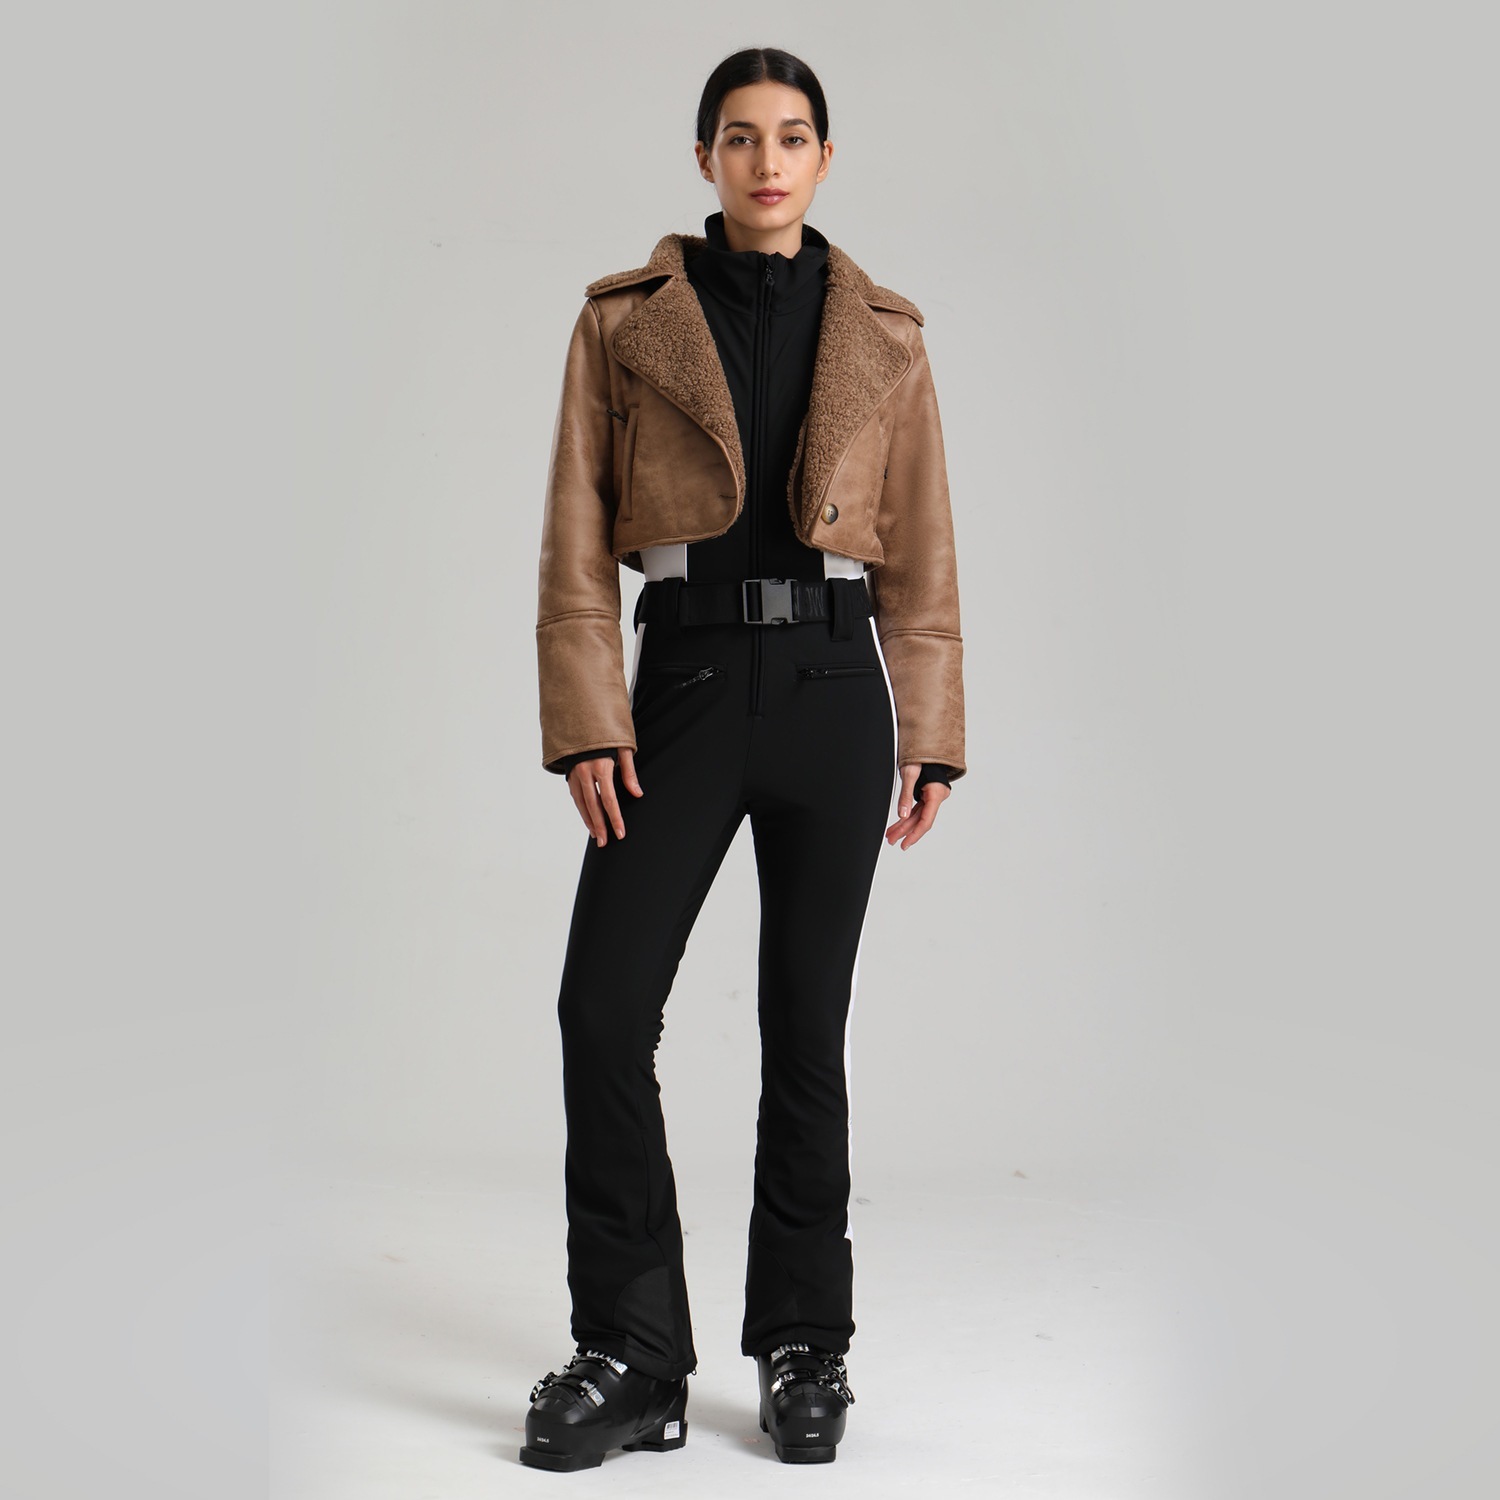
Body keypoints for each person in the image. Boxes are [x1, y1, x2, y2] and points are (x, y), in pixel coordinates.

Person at [521, 45, 967, 1472]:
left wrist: (934, 731)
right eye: (738, 136)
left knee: (806, 1030)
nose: (766, 161)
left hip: (838, 690)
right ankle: (634, 1352)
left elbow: (924, 555)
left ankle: (804, 1346)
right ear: (704, 157)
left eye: (791, 137)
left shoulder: (886, 333)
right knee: (604, 1008)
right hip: (688, 687)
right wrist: (590, 718)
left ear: (824, 158)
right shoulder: (625, 322)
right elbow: (574, 540)